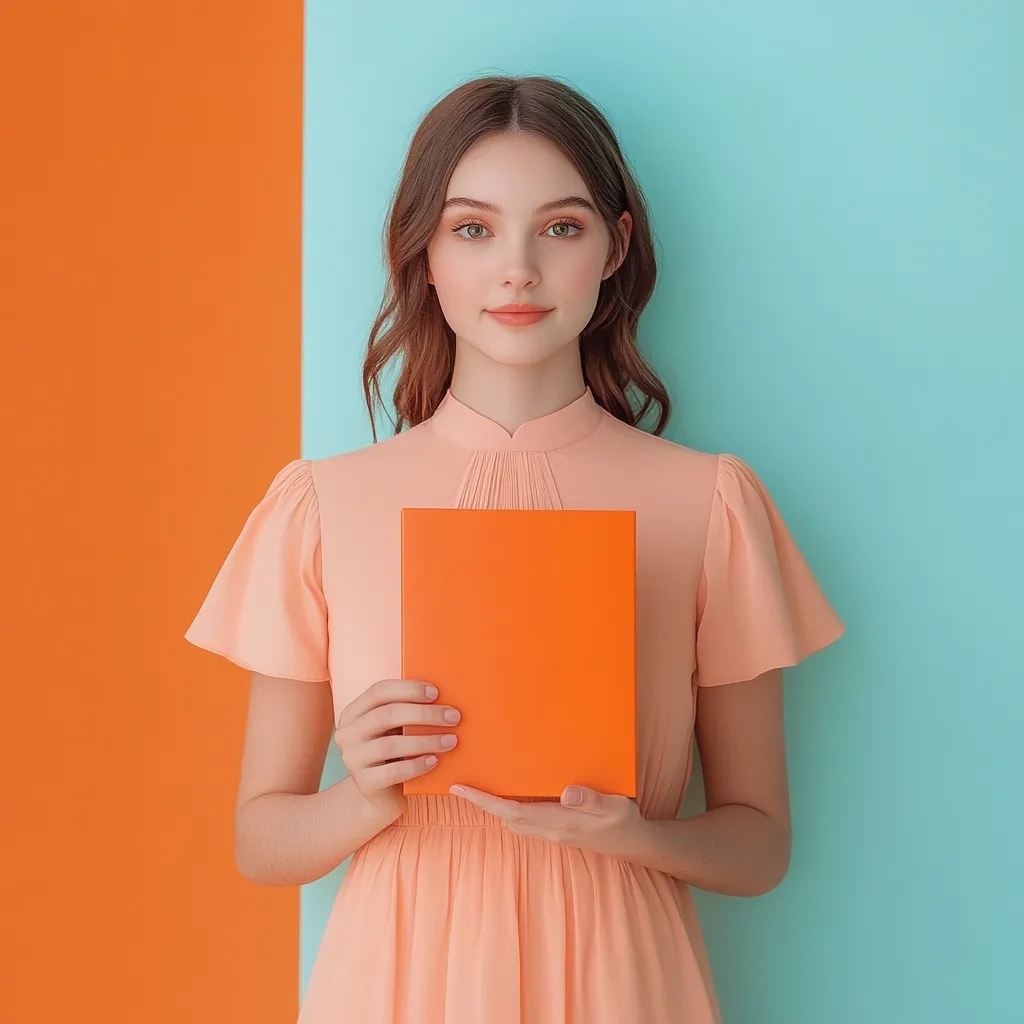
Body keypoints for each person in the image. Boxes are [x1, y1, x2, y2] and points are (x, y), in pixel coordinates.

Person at [185, 75, 845, 1024]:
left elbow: (759, 844)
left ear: (616, 245)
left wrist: (638, 836)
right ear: (422, 254)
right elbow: (261, 841)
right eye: (473, 228)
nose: (518, 270)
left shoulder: (709, 501)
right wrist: (365, 794)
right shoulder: (323, 505)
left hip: (624, 974)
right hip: (397, 979)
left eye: (562, 228)